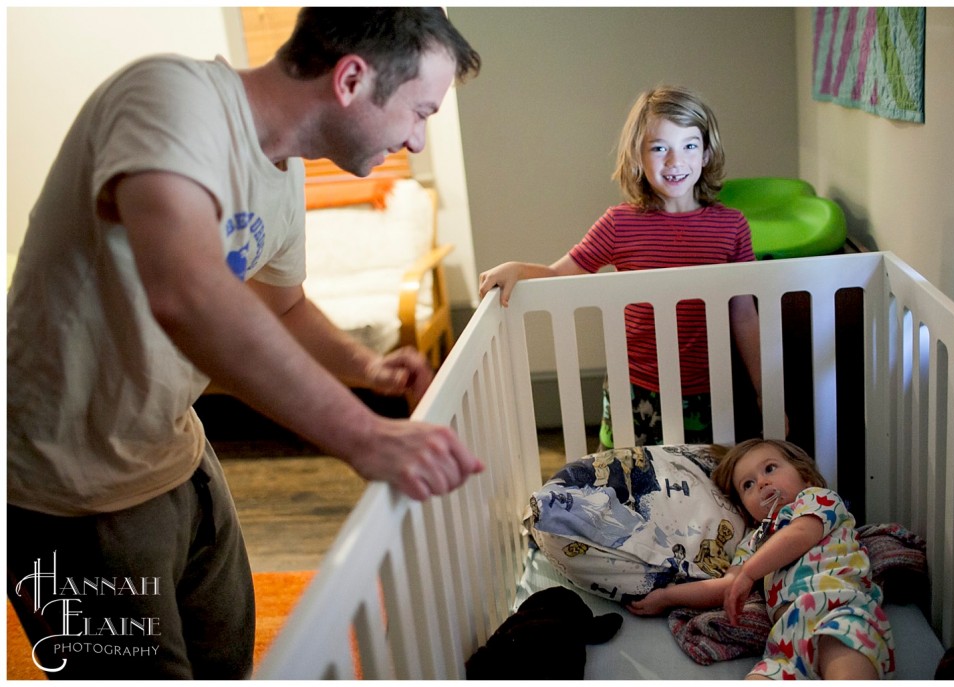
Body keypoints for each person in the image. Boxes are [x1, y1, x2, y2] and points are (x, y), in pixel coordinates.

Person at [7, 8, 482, 679]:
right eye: (420, 111)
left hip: (179, 455)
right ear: (351, 79)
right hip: (69, 494)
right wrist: (366, 437)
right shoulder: (169, 97)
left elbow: (282, 306)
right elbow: (187, 288)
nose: (417, 141)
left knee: (226, 661)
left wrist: (369, 369)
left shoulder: (281, 170)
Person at [478, 85, 765, 448]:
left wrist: (763, 389)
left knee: (706, 482)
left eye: (689, 146)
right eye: (660, 148)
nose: (675, 162)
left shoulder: (731, 225)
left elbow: (744, 315)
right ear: (638, 157)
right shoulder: (619, 223)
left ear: (707, 153)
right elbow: (559, 275)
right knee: (624, 479)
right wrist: (518, 268)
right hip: (636, 387)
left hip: (712, 388)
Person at [626, 439, 895, 679]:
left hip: (838, 611)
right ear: (747, 510)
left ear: (806, 476)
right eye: (748, 484)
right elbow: (727, 586)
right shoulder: (754, 541)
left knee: (844, 663)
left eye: (770, 469)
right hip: (786, 642)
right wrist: (667, 597)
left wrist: (750, 573)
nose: (762, 482)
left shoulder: (816, 500)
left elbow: (800, 534)